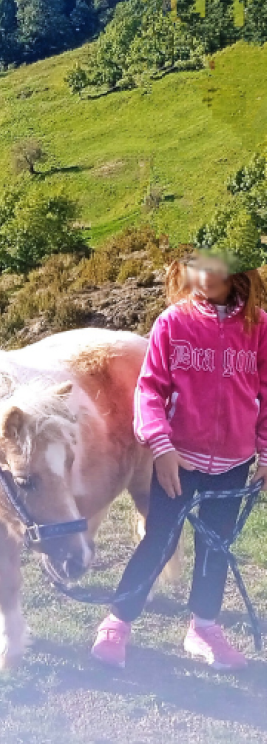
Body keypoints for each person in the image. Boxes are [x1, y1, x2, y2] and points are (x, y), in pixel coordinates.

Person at [91, 250, 267, 671]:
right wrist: (162, 448)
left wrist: (265, 450)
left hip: (234, 464)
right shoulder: (172, 322)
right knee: (160, 539)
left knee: (216, 545)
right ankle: (117, 622)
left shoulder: (259, 327)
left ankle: (203, 628)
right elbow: (149, 391)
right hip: (177, 463)